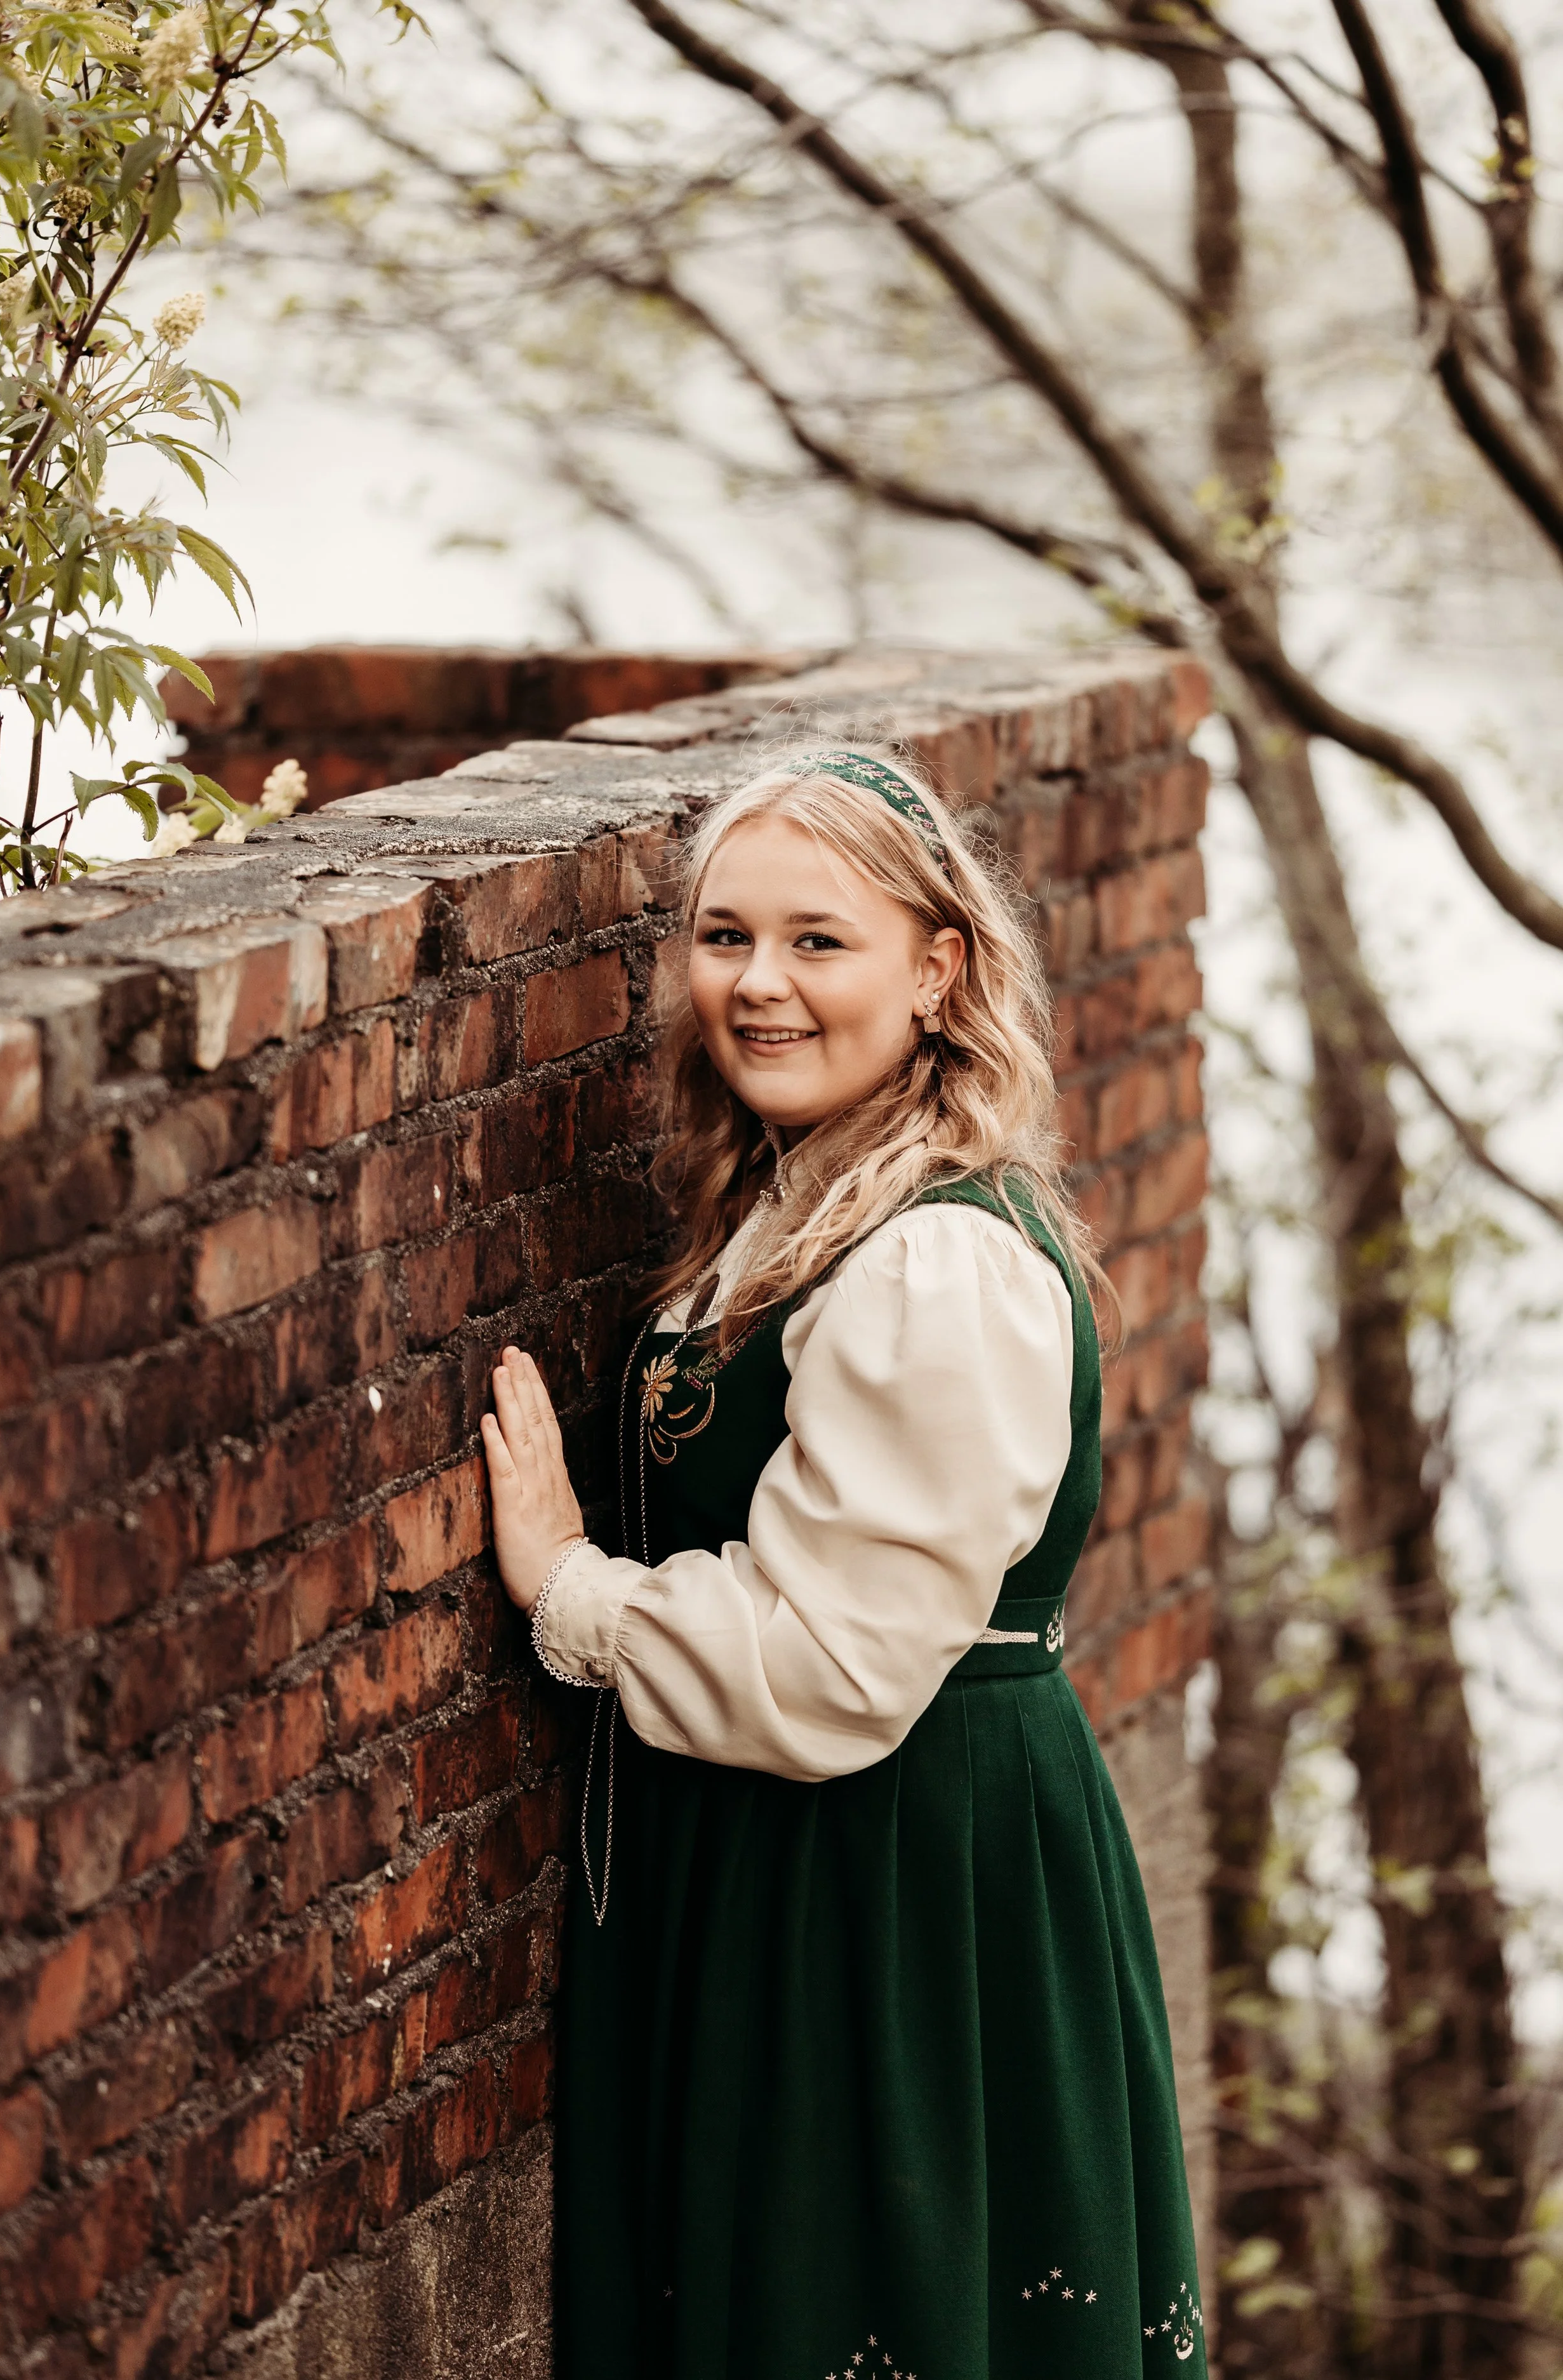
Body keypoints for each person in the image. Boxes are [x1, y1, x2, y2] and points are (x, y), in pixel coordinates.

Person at [482, 749, 1207, 2380]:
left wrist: (567, 1588)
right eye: (725, 938)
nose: (759, 986)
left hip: (898, 1879)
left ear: (936, 967)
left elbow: (831, 1668)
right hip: (800, 1865)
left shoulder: (937, 1260)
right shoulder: (795, 1203)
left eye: (820, 941)